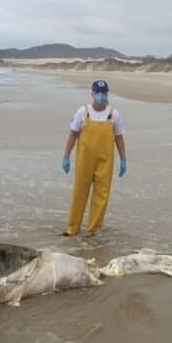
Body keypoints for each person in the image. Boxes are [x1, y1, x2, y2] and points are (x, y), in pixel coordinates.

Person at [61, 79, 127, 236]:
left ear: (107, 94)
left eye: (104, 93)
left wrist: (123, 159)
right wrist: (66, 155)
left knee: (101, 194)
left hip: (105, 161)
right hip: (85, 160)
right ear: (92, 93)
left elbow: (119, 138)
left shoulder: (113, 114)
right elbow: (73, 134)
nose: (101, 96)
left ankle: (93, 230)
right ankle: (72, 228)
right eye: (98, 92)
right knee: (79, 192)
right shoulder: (83, 112)